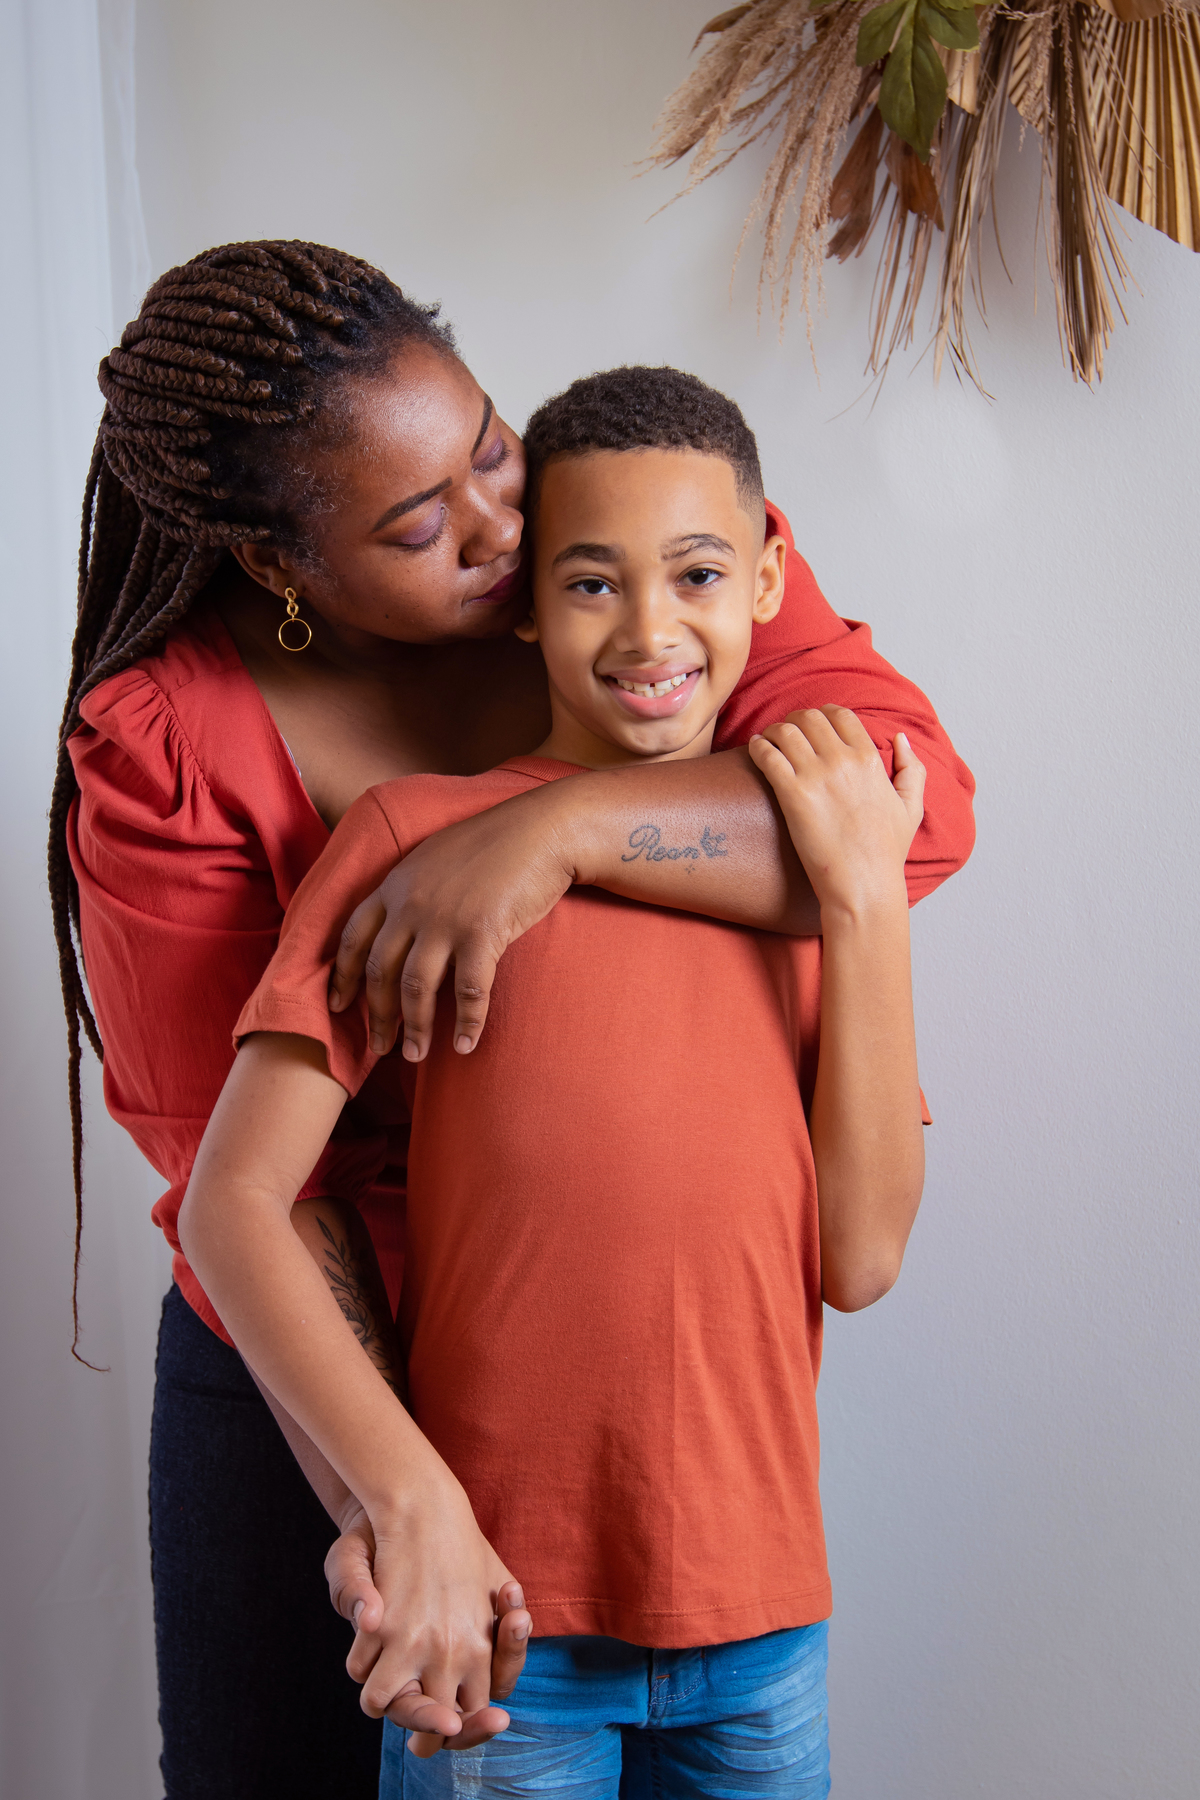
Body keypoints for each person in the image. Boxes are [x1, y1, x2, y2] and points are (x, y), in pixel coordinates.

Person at [55, 242, 973, 1799]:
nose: (502, 525)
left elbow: (904, 818)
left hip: (661, 1431)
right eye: (423, 524)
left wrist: (548, 833)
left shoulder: (634, 549)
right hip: (331, 1384)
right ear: (283, 569)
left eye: (490, 447)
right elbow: (257, 1190)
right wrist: (400, 1502)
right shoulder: (169, 747)